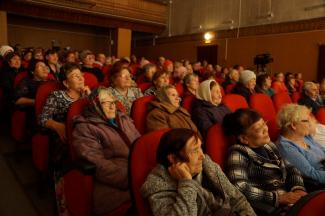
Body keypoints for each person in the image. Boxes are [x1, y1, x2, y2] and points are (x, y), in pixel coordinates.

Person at [141, 128, 256, 216]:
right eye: (195, 150)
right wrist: (186, 182)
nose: (202, 155)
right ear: (173, 158)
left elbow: (236, 198)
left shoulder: (206, 163)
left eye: (200, 147)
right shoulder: (157, 185)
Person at [223, 108, 307, 214]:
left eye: (264, 123)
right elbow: (239, 187)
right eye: (258, 129)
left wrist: (298, 188)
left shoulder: (268, 145)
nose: (265, 129)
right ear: (244, 139)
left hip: (292, 197)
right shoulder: (238, 153)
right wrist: (277, 198)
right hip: (274, 208)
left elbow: (289, 167)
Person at [73, 88, 140, 215]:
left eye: (113, 102)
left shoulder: (123, 118)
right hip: (116, 182)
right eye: (105, 102)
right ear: (95, 104)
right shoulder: (85, 127)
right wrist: (131, 178)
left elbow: (140, 143)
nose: (112, 106)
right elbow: (97, 163)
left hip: (139, 172)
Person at [39, 63, 91, 144]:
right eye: (75, 76)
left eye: (81, 75)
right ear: (66, 83)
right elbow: (42, 119)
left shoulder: (87, 94)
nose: (81, 78)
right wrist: (57, 126)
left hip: (88, 133)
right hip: (67, 136)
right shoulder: (56, 96)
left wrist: (90, 98)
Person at [277, 104, 325, 185]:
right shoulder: (286, 148)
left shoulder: (305, 137)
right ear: (293, 125)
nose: (310, 124)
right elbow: (311, 175)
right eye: (306, 121)